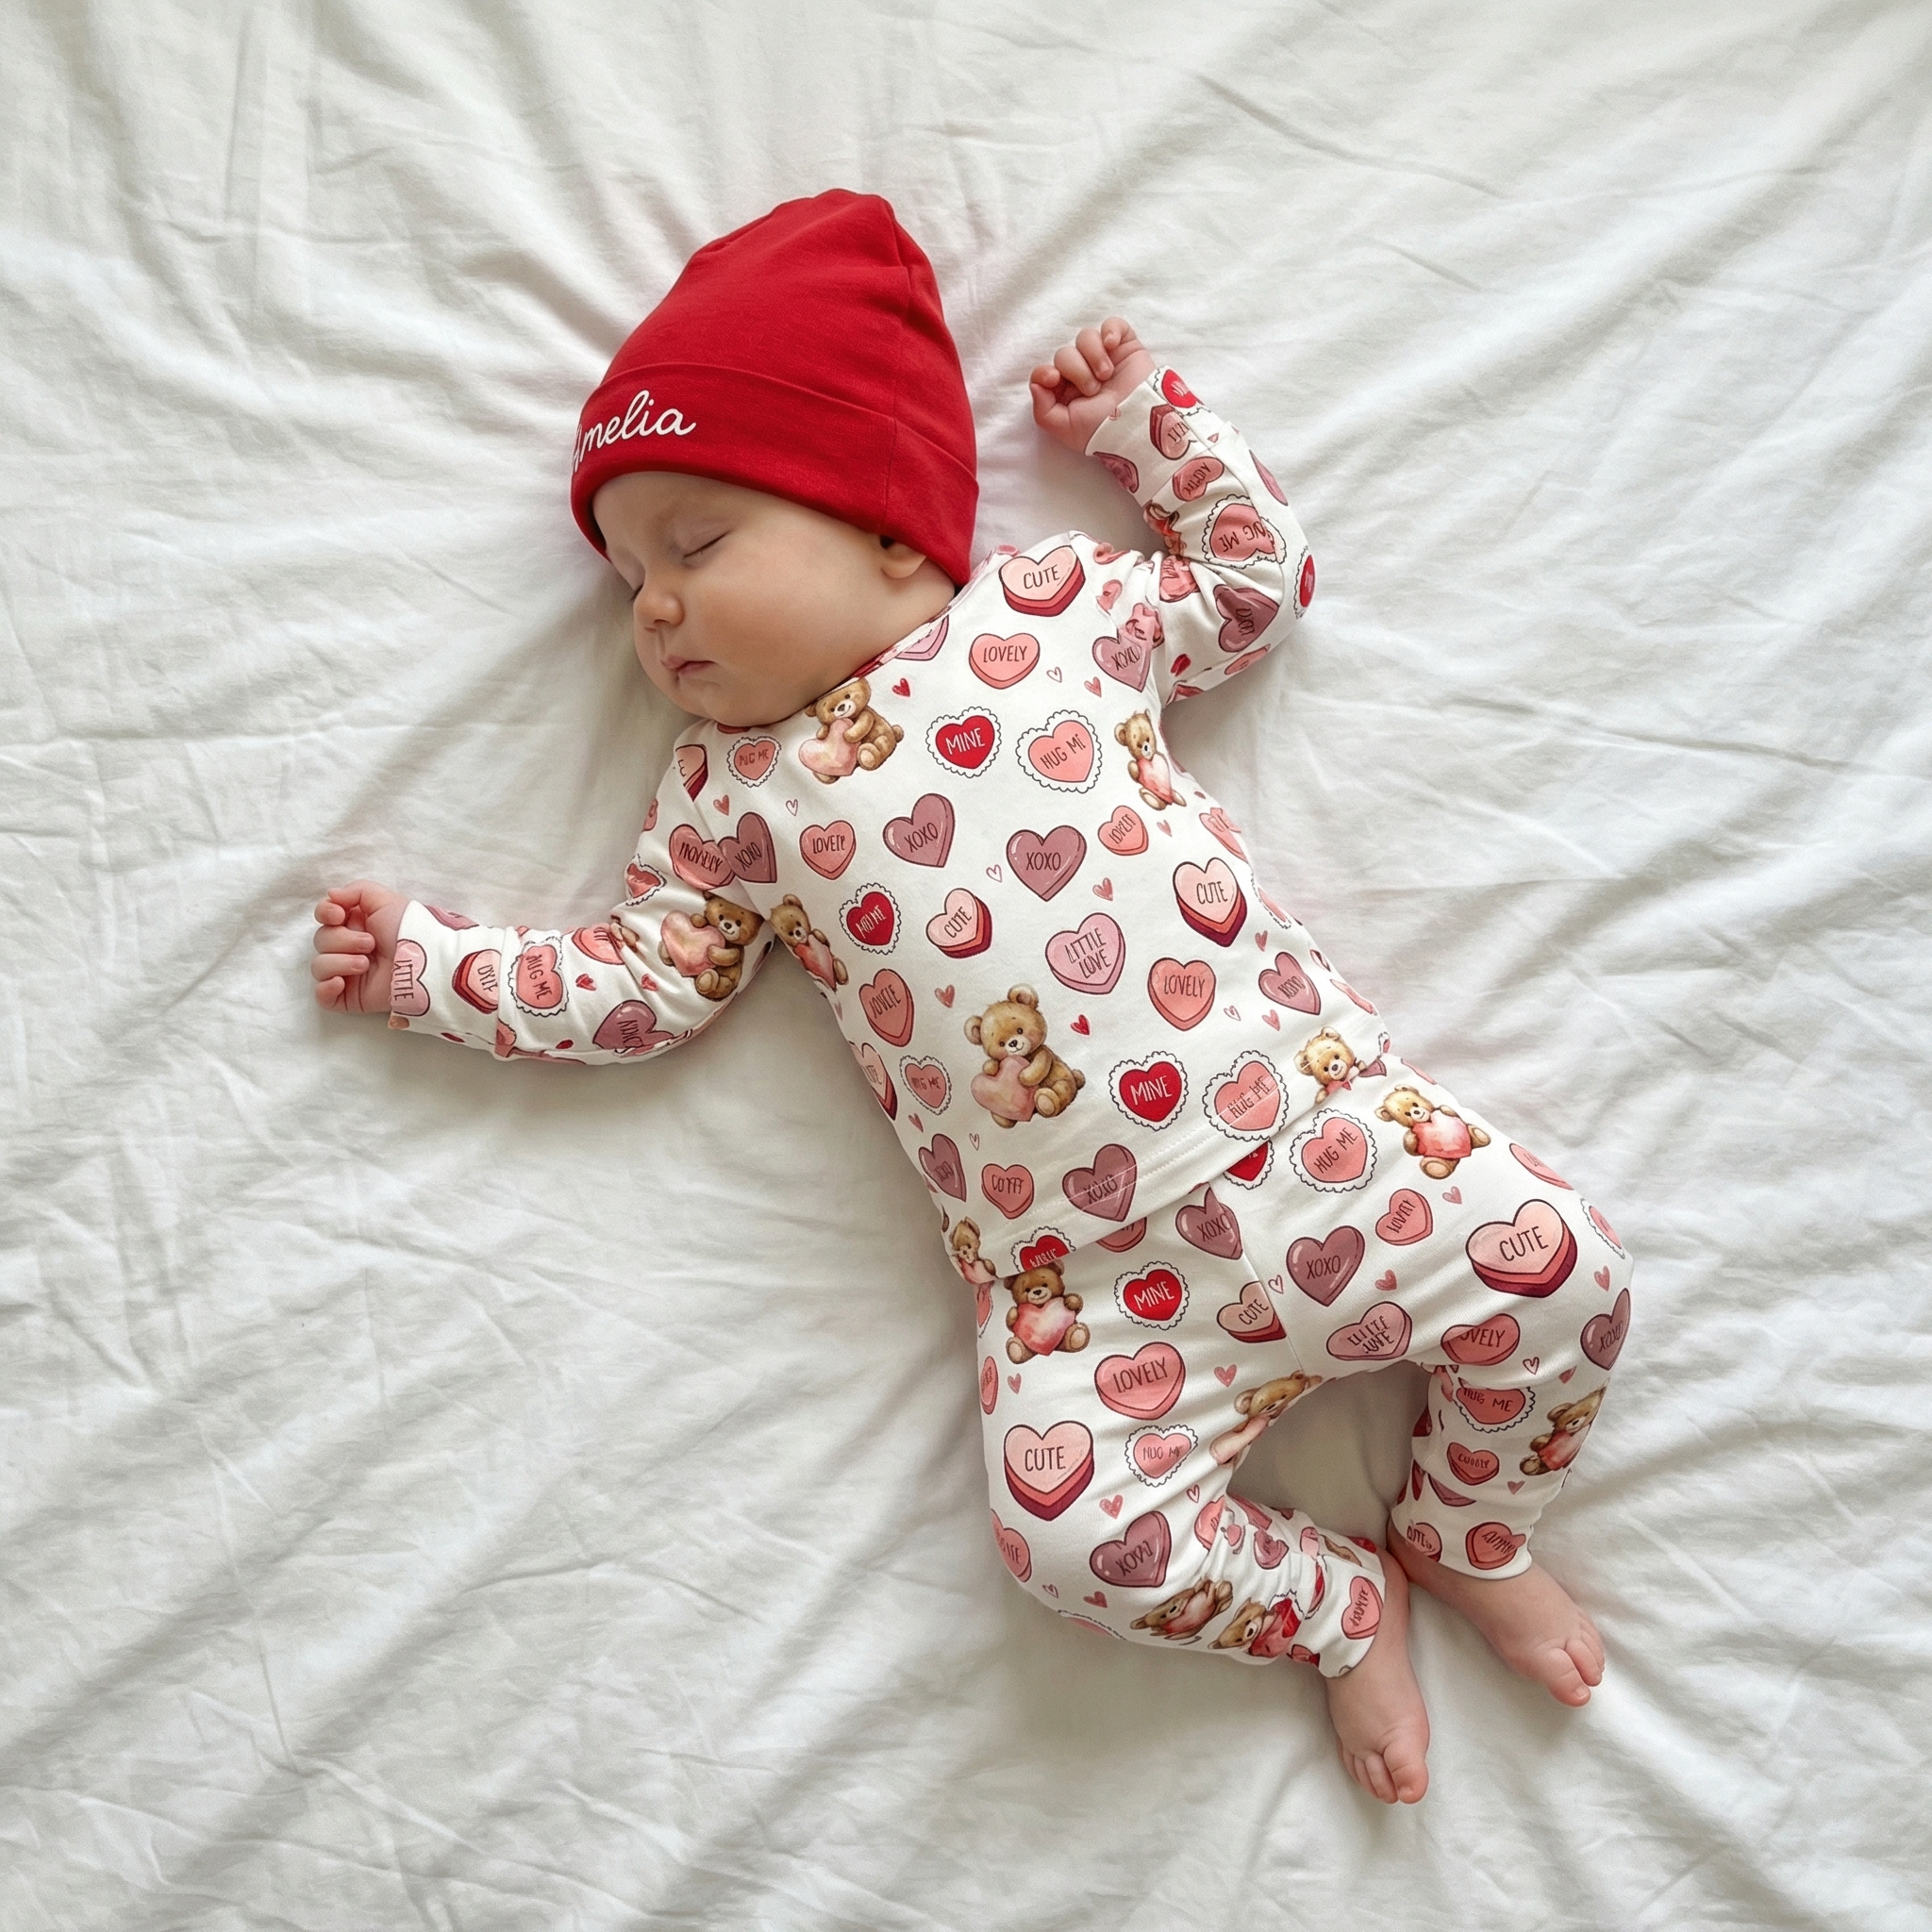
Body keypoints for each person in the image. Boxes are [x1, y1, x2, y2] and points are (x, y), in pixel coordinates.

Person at [311, 191, 1635, 1807]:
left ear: (881, 525)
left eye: (694, 545)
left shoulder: (1050, 618)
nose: (648, 607)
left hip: (1320, 1144)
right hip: (1090, 1293)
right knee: (1070, 1535)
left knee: (1565, 1278)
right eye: (622, 579)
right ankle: (1334, 1604)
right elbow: (639, 990)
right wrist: (432, 970)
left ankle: (1466, 1525)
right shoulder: (729, 800)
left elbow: (1256, 583)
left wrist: (1149, 426)